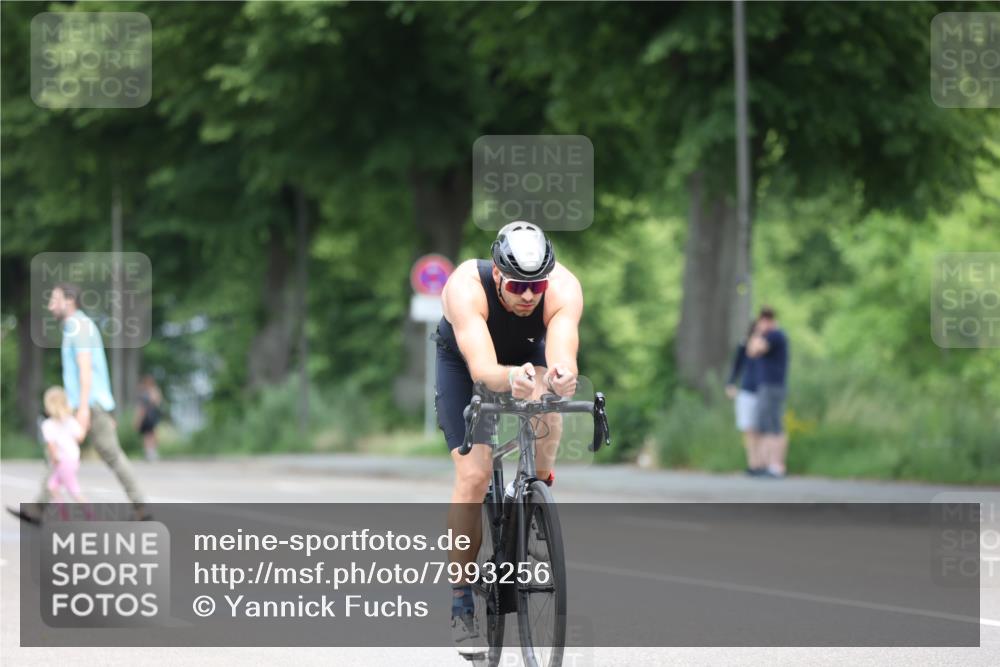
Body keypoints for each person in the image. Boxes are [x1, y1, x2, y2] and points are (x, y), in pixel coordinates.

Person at [434, 221, 582, 655]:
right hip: (467, 364)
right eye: (517, 285)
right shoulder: (465, 286)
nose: (528, 296)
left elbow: (561, 353)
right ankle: (462, 599)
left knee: (549, 408)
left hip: (525, 356)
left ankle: (534, 502)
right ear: (497, 273)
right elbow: (483, 371)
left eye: (536, 286)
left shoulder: (564, 289)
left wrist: (561, 377)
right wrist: (509, 379)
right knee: (474, 474)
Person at [7, 283, 148, 524]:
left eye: (54, 300)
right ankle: (37, 508)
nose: (50, 305)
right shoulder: (77, 327)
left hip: (88, 404)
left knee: (110, 454)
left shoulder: (79, 327)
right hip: (86, 403)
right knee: (58, 452)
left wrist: (83, 408)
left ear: (69, 301)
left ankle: (141, 507)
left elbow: (86, 368)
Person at [747, 306, 790, 479]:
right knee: (763, 425)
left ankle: (777, 465)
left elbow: (756, 349)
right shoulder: (768, 336)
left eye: (765, 320)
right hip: (765, 386)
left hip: (773, 385)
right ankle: (766, 465)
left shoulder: (776, 335)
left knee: (774, 425)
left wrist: (758, 333)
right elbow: (750, 351)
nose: (762, 324)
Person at [726, 318, 764, 475]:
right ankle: (752, 463)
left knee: (761, 429)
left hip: (763, 391)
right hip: (747, 390)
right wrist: (730, 384)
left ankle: (762, 463)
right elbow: (736, 366)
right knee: (748, 429)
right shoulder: (743, 346)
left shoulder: (767, 347)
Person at [135, 375, 163, 461]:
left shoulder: (152, 392)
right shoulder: (144, 393)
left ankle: (151, 452)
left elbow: (157, 401)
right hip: (147, 416)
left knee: (152, 434)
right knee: (148, 435)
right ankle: (149, 452)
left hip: (152, 415)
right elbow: (141, 408)